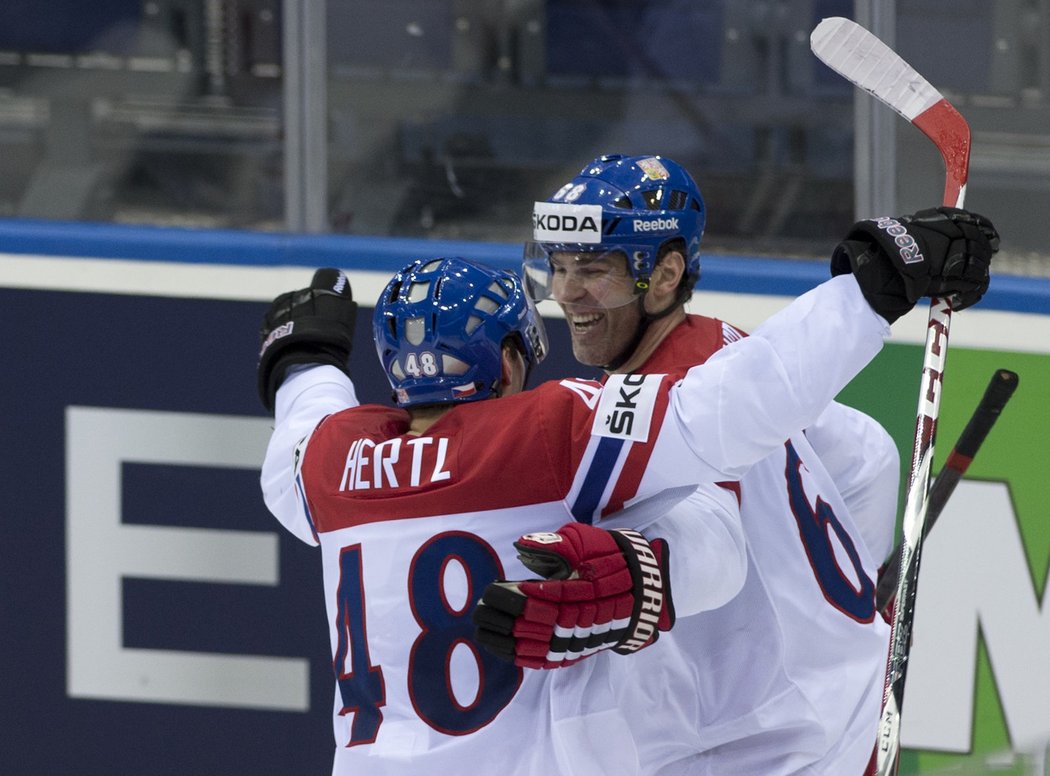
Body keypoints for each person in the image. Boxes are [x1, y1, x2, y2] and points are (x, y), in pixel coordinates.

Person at [257, 214, 993, 773]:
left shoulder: (331, 461)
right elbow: (733, 405)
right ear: (510, 361)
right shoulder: (549, 432)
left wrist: (305, 361)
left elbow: (294, 445)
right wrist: (871, 291)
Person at [477, 153, 999, 775]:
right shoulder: (723, 346)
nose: (567, 294)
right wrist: (852, 611)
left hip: (770, 749)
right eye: (558, 268)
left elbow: (708, 534)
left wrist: (641, 582)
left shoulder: (680, 382)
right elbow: (864, 454)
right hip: (839, 715)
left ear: (665, 273)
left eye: (594, 269)